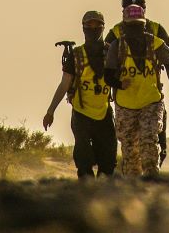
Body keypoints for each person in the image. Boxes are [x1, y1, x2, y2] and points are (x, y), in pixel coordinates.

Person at [105, 3, 169, 177]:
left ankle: (151, 180)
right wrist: (119, 84)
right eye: (132, 26)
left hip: (151, 102)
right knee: (129, 149)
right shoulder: (115, 46)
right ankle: (134, 190)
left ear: (144, 24)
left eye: (139, 25)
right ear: (124, 26)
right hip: (125, 105)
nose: (135, 30)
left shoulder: (156, 43)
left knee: (149, 141)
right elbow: (107, 76)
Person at [43, 10, 119, 178]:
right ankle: (86, 194)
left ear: (103, 27)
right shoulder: (75, 56)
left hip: (104, 112)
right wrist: (50, 112)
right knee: (83, 158)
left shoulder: (112, 52)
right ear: (83, 28)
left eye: (97, 25)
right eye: (89, 26)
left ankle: (105, 195)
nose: (93, 29)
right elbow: (64, 84)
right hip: (81, 113)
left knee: (108, 159)